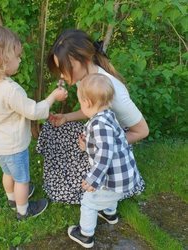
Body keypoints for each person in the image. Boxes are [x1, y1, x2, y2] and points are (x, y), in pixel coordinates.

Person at [37, 28, 148, 217]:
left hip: (111, 151)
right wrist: (66, 118)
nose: (62, 75)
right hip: (98, 134)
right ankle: (65, 180)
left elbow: (142, 131)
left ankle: (102, 193)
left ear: (83, 60)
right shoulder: (84, 78)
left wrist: (96, 146)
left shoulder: (116, 93)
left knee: (75, 185)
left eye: (64, 68)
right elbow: (91, 110)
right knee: (54, 128)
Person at [0, 25, 67, 220]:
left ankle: (11, 198)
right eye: (16, 56)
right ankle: (23, 211)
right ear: (1, 59)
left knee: (8, 174)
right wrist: (52, 98)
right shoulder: (10, 89)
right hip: (14, 146)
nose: (20, 59)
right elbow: (33, 112)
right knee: (22, 179)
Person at [67, 73, 145, 248]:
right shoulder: (108, 115)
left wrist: (93, 179)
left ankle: (85, 234)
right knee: (110, 194)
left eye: (81, 102)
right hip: (123, 176)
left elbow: (104, 156)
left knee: (88, 201)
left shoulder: (99, 125)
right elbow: (106, 145)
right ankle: (110, 213)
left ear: (86, 103)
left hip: (112, 177)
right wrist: (86, 146)